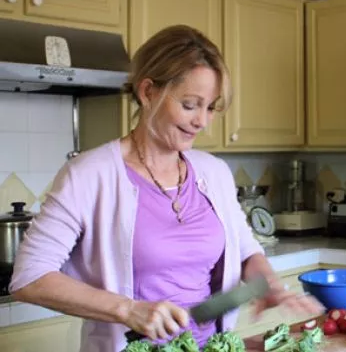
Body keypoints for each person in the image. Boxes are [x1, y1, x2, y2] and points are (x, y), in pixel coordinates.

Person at [9, 25, 324, 352]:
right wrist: (129, 310)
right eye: (190, 104)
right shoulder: (89, 175)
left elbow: (246, 251)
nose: (202, 121)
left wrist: (269, 285)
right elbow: (30, 278)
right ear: (148, 92)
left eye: (211, 107)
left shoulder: (213, 172)